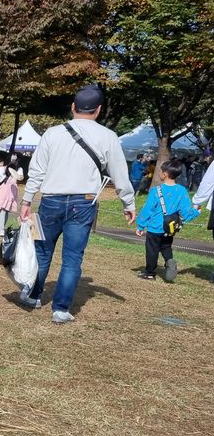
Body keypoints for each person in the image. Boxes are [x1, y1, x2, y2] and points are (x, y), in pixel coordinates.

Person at [18, 84, 136, 323]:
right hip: (84, 203)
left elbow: (37, 171)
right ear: (99, 110)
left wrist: (26, 199)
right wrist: (128, 202)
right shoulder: (108, 136)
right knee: (72, 258)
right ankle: (60, 309)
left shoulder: (52, 133)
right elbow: (119, 174)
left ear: (73, 107)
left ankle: (33, 295)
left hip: (50, 201)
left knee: (41, 250)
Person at [135, 159, 200, 281]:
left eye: (161, 171)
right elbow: (186, 212)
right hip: (169, 227)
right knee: (166, 247)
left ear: (165, 174)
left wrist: (140, 225)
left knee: (152, 250)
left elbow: (147, 209)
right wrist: (196, 212)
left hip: (155, 226)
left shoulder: (156, 190)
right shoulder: (182, 190)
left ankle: (149, 273)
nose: (159, 173)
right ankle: (169, 261)